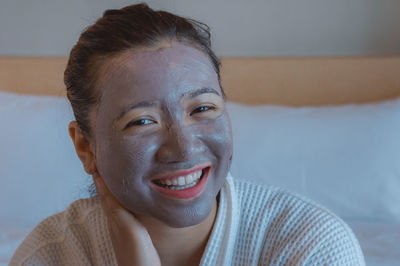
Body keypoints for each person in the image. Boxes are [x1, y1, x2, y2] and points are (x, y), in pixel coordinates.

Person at [10, 3, 365, 266]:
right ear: (85, 146)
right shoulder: (50, 256)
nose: (184, 147)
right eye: (142, 121)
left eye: (203, 109)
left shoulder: (310, 245)